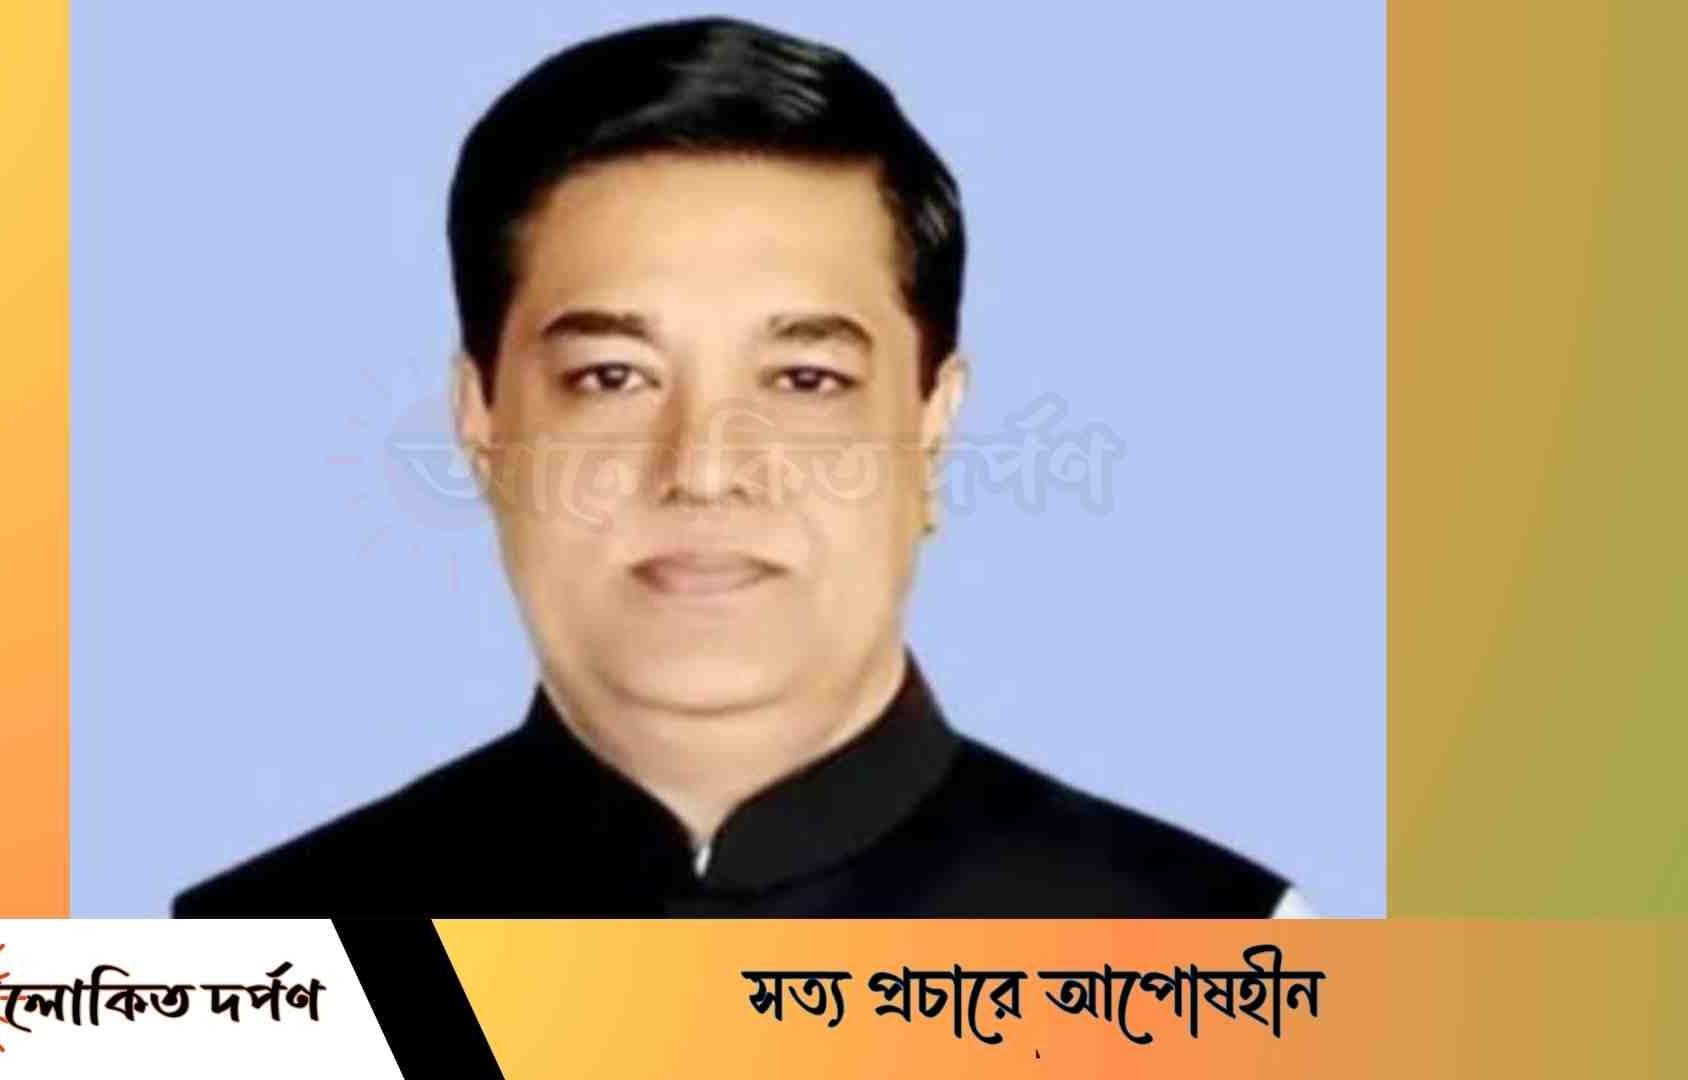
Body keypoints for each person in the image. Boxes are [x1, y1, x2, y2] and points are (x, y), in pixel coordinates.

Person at [174, 16, 1312, 918]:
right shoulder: (254, 971)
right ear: (481, 423)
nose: (706, 469)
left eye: (804, 380)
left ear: (931, 426)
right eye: (613, 377)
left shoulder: (1219, 957)